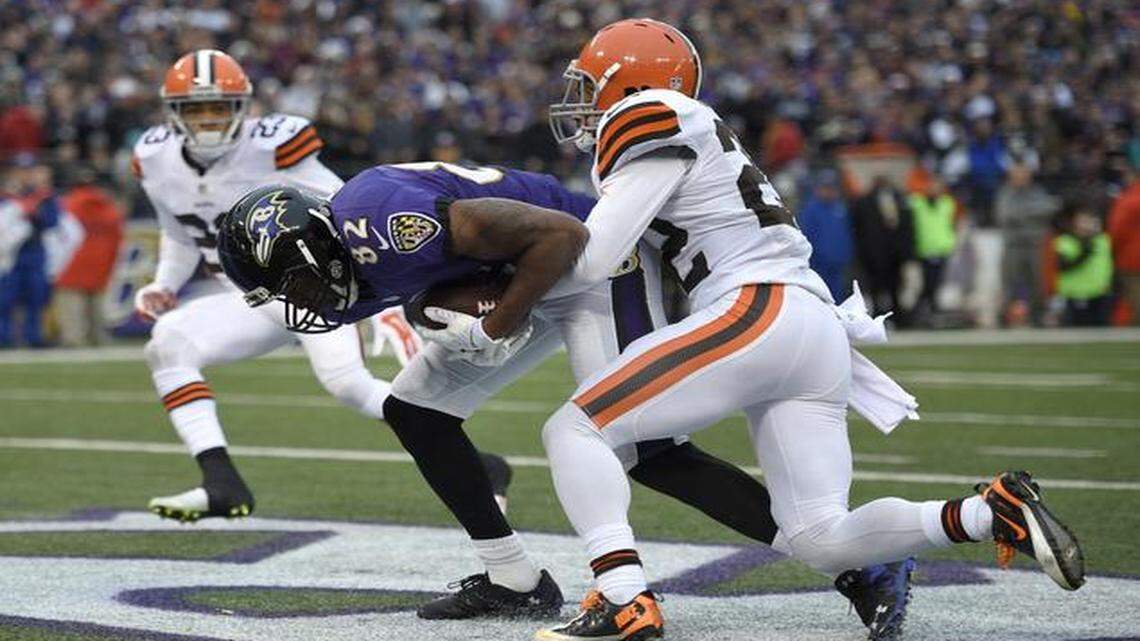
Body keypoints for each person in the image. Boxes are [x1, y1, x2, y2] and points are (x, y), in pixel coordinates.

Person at [537, 19, 1085, 640]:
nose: (582, 101)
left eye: (590, 83)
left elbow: (595, 256)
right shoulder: (693, 131)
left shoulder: (651, 110)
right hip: (810, 329)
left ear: (628, 80)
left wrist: (514, 281)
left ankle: (623, 597)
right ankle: (988, 514)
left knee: (576, 427)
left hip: (756, 309)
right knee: (820, 537)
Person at [216, 163, 911, 634]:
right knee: (415, 409)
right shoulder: (342, 267)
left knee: (644, 449)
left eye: (295, 284)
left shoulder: (387, 221)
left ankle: (860, 564)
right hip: (528, 274)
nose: (298, 303)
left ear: (314, 246)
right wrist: (442, 308)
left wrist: (495, 321)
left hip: (594, 265)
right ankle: (514, 578)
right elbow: (432, 283)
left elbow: (563, 235)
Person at [131, 49, 420, 522]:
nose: (207, 120)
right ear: (173, 112)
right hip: (246, 298)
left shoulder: (272, 145)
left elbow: (347, 205)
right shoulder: (153, 156)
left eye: (218, 108)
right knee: (168, 343)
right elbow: (180, 231)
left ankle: (474, 462)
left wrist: (379, 291)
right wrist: (164, 282)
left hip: (315, 290)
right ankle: (220, 480)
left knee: (349, 385)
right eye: (196, 109)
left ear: (242, 108)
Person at [54, 171, 124, 346]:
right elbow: (118, 239)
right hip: (101, 262)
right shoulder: (109, 208)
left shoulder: (65, 205)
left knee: (71, 306)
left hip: (71, 262)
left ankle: (74, 340)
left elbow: (57, 237)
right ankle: (99, 339)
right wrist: (110, 262)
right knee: (98, 307)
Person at [0, 153, 59, 348]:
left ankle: (33, 337)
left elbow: (52, 221)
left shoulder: (43, 196)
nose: (24, 175)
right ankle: (4, 337)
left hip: (34, 250)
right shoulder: (5, 195)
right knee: (5, 297)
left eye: (28, 170)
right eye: (20, 170)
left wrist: (35, 214)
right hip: (9, 252)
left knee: (36, 296)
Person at [994, 163, 1060, 325]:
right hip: (1013, 246)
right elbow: (1005, 214)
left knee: (1037, 282)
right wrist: (1033, 215)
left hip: (1034, 245)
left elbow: (1052, 207)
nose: (1021, 179)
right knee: (1009, 283)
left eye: (1024, 175)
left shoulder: (1038, 192)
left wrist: (1022, 213)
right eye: (1017, 175)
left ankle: (1037, 317)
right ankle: (1004, 318)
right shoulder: (1005, 192)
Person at [851, 175, 915, 321]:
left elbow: (907, 227)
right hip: (875, 254)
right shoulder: (864, 202)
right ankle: (878, 314)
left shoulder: (900, 199)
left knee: (896, 286)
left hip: (895, 253)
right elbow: (859, 229)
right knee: (876, 287)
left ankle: (896, 315)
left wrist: (906, 252)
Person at [797, 168, 853, 300]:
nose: (829, 191)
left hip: (838, 265)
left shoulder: (840, 208)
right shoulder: (810, 210)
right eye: (825, 187)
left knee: (837, 298)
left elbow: (846, 234)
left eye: (832, 188)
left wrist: (846, 255)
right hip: (818, 266)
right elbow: (806, 237)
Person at [1054, 204, 1114, 326]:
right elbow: (1062, 266)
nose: (1087, 225)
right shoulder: (1065, 241)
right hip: (1074, 295)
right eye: (1083, 221)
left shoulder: (1103, 240)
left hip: (1100, 294)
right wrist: (1083, 255)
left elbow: (1109, 264)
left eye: (1090, 221)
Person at [907, 176, 959, 318]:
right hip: (925, 250)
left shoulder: (947, 203)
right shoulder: (917, 203)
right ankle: (922, 309)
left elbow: (951, 224)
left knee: (936, 282)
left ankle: (929, 308)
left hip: (942, 249)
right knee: (928, 283)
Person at [1107, 164, 1140, 324]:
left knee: (1134, 301)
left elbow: (1117, 230)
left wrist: (1113, 252)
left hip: (1131, 260)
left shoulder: (1128, 200)